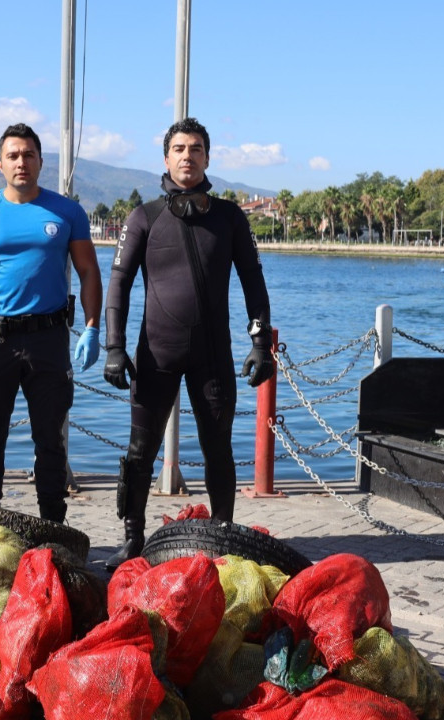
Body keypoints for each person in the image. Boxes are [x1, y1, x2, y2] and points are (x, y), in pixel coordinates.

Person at [101, 117, 275, 570]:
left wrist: (260, 343)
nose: (187, 156)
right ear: (166, 158)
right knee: (140, 453)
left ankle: (222, 537)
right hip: (156, 354)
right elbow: (118, 283)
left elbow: (253, 280)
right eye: (179, 148)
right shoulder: (145, 217)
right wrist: (114, 347)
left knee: (218, 449)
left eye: (196, 149)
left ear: (207, 158)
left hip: (212, 356)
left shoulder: (230, 217)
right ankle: (133, 539)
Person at [0, 123, 103, 522]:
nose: (21, 162)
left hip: (49, 338)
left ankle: (53, 526)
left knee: (50, 438)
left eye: (28, 155)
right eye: (13, 155)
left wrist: (93, 327)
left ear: (41, 161)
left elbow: (89, 272)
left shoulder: (67, 212)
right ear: (0, 164)